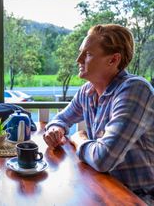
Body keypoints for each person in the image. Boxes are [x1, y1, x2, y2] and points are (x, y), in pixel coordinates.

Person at [43, 24, 154, 204]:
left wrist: (78, 138)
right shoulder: (87, 91)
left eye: (87, 54)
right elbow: (62, 118)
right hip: (100, 186)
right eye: (81, 52)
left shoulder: (135, 90)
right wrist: (56, 129)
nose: (78, 59)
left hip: (137, 197)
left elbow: (104, 159)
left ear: (113, 60)